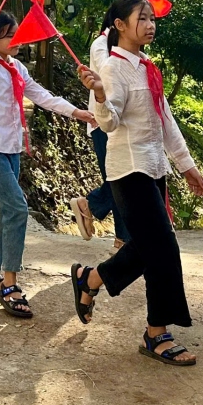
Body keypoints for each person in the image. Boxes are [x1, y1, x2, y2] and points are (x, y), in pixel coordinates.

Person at [71, 0, 203, 367]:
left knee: (148, 247)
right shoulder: (114, 68)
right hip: (127, 168)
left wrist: (186, 164)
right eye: (142, 18)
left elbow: (164, 118)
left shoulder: (147, 65)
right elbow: (110, 122)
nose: (151, 25)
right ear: (119, 25)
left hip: (153, 167)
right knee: (163, 248)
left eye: (152, 19)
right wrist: (99, 95)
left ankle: (91, 279)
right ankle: (156, 334)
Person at [0, 13, 95, 318]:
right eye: (9, 35)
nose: (16, 40)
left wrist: (75, 112)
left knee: (4, 211)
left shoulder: (17, 68)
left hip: (13, 148)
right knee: (16, 207)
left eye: (16, 34)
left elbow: (40, 95)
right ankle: (10, 284)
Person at [68, 19, 129, 248]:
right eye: (140, 18)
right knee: (117, 181)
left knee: (119, 180)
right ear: (119, 22)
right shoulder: (101, 44)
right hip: (102, 123)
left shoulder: (124, 49)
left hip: (118, 124)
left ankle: (120, 236)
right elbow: (109, 75)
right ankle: (94, 209)